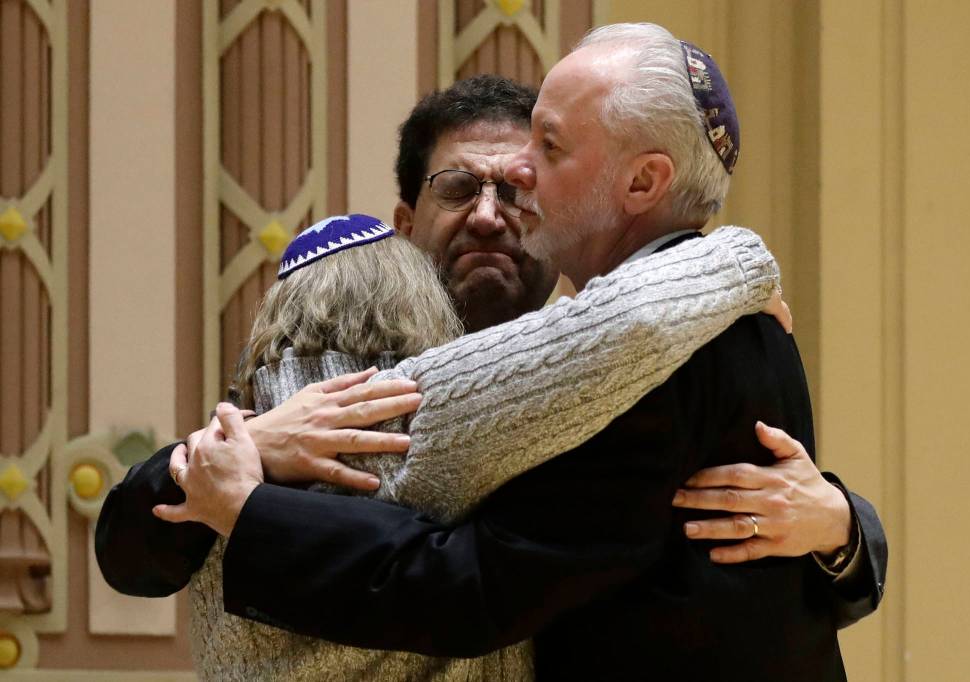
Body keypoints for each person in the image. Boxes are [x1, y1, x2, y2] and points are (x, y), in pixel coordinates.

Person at [96, 29, 886, 679]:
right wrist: (239, 457)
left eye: (531, 168)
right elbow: (139, 549)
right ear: (402, 225)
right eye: (456, 187)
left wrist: (846, 528)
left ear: (639, 183)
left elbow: (472, 583)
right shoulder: (335, 348)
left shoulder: (639, 353)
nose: (497, 205)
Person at [188, 211, 782, 679]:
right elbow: (609, 335)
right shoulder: (410, 407)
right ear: (420, 303)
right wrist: (739, 257)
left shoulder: (217, 457)